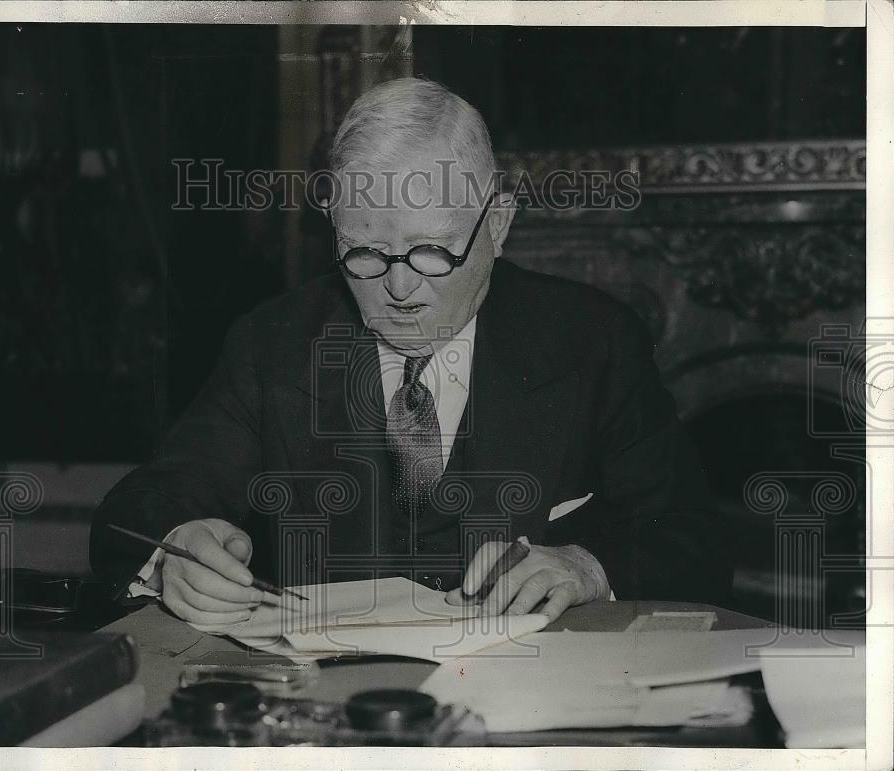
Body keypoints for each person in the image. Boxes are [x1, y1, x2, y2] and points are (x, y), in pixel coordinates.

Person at [90, 77, 731, 628]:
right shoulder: (273, 344)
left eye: (432, 250)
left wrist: (586, 565)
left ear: (498, 224)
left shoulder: (594, 340)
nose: (398, 288)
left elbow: (694, 537)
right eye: (364, 252)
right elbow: (146, 504)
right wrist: (175, 550)